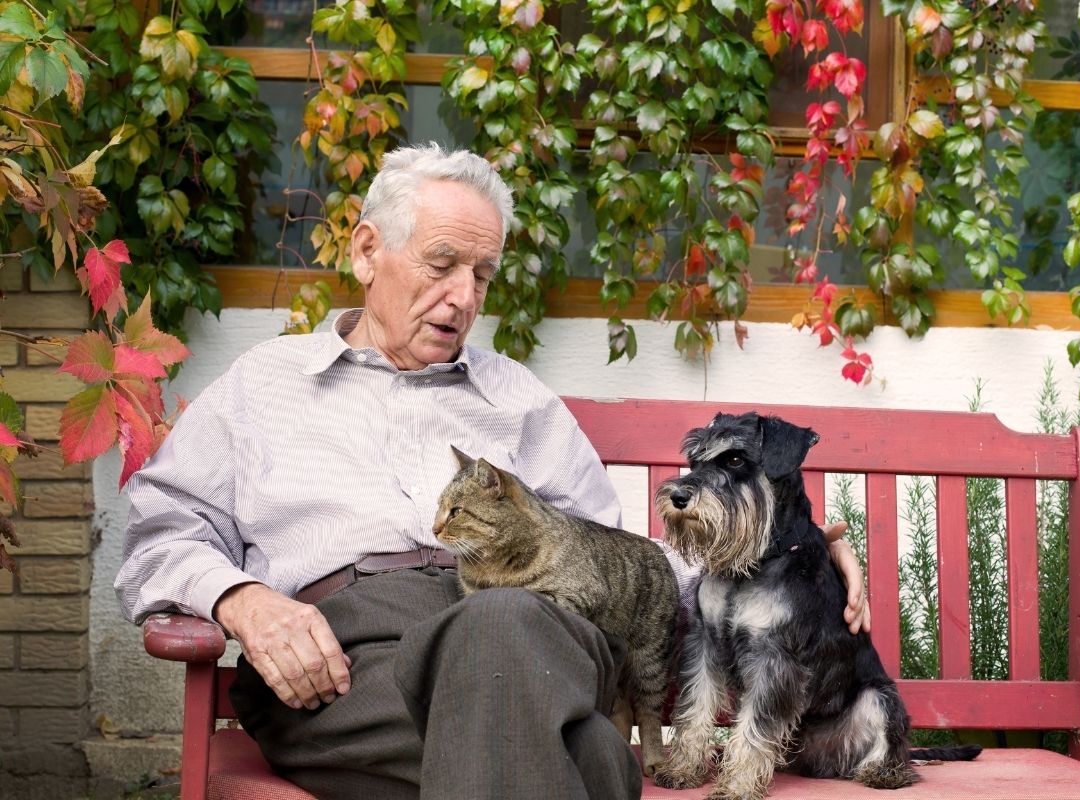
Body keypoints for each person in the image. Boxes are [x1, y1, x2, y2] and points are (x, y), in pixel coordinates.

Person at [116, 142, 870, 800]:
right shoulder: (263, 384)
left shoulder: (517, 399)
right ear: (367, 251)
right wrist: (243, 600)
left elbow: (623, 565)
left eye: (482, 274)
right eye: (442, 265)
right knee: (583, 757)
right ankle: (595, 766)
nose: (463, 298)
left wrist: (789, 553)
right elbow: (161, 533)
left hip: (536, 635)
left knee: (501, 622)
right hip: (344, 666)